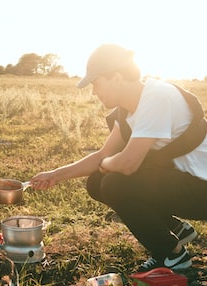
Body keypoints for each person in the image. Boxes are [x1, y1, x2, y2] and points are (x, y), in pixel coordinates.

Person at [30, 44, 207, 272]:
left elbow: (127, 163)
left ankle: (172, 256)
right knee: (97, 182)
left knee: (115, 183)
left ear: (117, 76)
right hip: (185, 182)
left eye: (97, 83)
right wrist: (55, 175)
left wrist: (107, 165)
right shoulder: (127, 112)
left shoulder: (157, 97)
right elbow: (104, 155)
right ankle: (177, 231)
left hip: (202, 187)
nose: (94, 92)